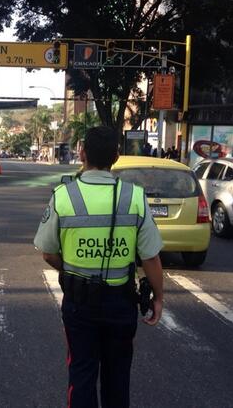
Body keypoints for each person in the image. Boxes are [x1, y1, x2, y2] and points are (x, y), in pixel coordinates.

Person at [34, 126, 164, 408]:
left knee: (81, 372)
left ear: (82, 154)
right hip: (121, 303)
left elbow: (47, 253)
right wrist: (159, 297)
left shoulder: (64, 195)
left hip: (79, 303)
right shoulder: (134, 197)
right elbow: (151, 257)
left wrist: (71, 270)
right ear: (116, 156)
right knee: (118, 377)